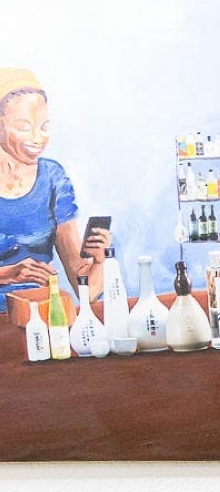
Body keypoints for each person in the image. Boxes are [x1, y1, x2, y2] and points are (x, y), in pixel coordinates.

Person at [0, 67, 108, 315]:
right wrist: (9, 274)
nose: (38, 138)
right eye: (24, 127)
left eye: (44, 126)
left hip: (43, 316)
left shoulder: (52, 178)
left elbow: (87, 289)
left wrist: (100, 262)